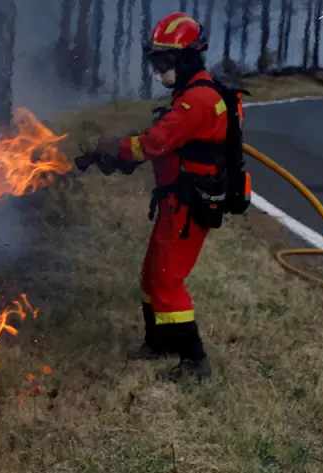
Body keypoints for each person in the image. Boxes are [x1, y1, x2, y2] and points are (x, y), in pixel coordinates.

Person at [87, 11, 245, 383]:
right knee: (151, 273)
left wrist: (112, 147)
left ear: (189, 57)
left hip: (190, 203)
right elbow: (165, 142)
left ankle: (195, 362)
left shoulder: (199, 102)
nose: (159, 70)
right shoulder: (191, 95)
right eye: (155, 60)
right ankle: (158, 342)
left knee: (167, 279)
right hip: (177, 199)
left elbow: (155, 142)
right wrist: (121, 157)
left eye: (165, 61)